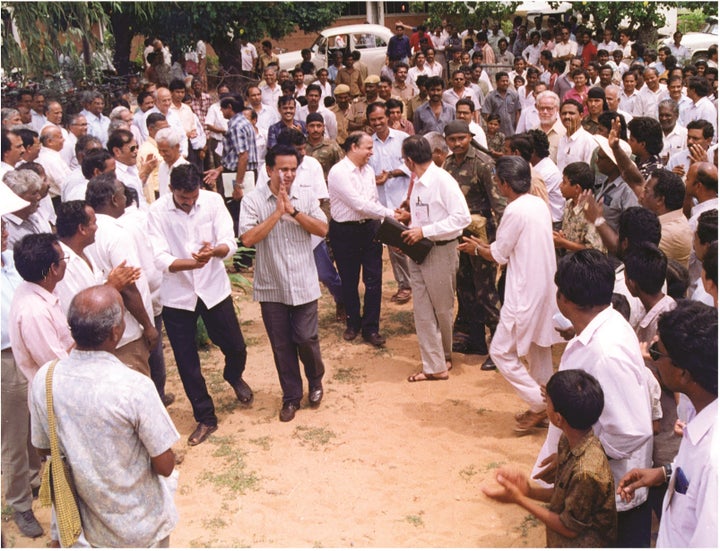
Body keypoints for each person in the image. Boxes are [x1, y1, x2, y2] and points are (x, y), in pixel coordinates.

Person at [29, 285, 179, 547]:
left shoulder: (46, 378)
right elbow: (165, 465)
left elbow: (42, 446)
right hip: (138, 527)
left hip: (79, 526)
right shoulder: (134, 387)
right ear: (116, 332)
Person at [534, 249, 653, 547]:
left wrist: (577, 459)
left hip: (609, 495)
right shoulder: (601, 327)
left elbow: (633, 429)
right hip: (594, 489)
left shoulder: (604, 352)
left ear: (563, 299)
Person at [148, 164, 253, 446]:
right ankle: (205, 417)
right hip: (177, 296)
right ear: (171, 190)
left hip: (213, 288)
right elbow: (159, 257)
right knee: (186, 362)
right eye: (184, 199)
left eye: (194, 197)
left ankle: (234, 375)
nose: (190, 203)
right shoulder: (157, 212)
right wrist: (192, 263)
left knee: (236, 346)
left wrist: (214, 252)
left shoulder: (213, 200)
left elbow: (228, 243)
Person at [617, 300, 717, 548]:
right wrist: (664, 474)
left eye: (658, 353)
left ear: (684, 373)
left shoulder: (714, 460)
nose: (651, 357)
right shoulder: (698, 409)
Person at [468, 157, 557, 433]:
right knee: (539, 351)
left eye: (498, 181)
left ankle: (542, 404)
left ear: (505, 184)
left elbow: (498, 254)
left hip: (524, 292)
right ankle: (542, 405)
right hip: (545, 289)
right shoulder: (538, 204)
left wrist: (476, 247)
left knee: (500, 352)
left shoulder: (516, 209)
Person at [239, 145, 328, 422]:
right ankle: (291, 396)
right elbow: (248, 239)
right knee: (281, 344)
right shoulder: (253, 200)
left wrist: (294, 212)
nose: (288, 175)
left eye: (293, 169)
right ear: (269, 170)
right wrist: (277, 214)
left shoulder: (306, 195)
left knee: (305, 337)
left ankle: (315, 380)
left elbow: (323, 229)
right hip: (271, 284)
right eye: (283, 169)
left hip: (303, 280)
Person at [483, 369, 617, 547]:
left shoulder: (586, 472)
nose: (545, 407)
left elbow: (569, 528)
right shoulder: (569, 442)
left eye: (548, 403)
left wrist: (519, 500)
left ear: (558, 418)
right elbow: (564, 495)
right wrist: (528, 492)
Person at [393, 134, 470, 382]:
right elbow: (424, 215)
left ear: (409, 159)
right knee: (423, 309)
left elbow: (462, 218)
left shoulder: (442, 181)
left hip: (440, 250)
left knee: (442, 308)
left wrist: (424, 231)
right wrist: (408, 224)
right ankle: (435, 364)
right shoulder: (418, 180)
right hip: (418, 250)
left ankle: (444, 355)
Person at [1, 186, 44, 538]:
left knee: (34, 427)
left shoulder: (10, 263)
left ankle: (33, 481)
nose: (4, 230)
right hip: (5, 360)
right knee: (14, 438)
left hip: (27, 351)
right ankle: (20, 504)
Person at [443, 121, 504, 367]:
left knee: (486, 290)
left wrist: (499, 242)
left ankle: (500, 350)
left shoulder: (483, 163)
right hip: (459, 232)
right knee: (465, 288)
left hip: (481, 233)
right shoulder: (447, 164)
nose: (457, 143)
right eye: (452, 139)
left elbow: (499, 204)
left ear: (470, 137)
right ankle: (476, 340)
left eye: (462, 138)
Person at [328, 132, 395, 347]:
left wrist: (381, 215)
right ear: (353, 147)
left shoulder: (368, 171)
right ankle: (353, 323)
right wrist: (390, 213)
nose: (371, 152)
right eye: (368, 148)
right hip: (345, 232)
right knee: (349, 279)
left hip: (369, 229)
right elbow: (358, 203)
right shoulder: (338, 172)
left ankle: (371, 328)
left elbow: (371, 200)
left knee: (374, 280)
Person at [367, 102, 412, 305]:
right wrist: (373, 180)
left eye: (380, 118)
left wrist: (392, 173)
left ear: (388, 117)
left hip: (404, 199)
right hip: (382, 202)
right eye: (373, 120)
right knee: (394, 245)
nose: (377, 123)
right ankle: (405, 285)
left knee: (412, 242)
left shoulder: (402, 139)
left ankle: (417, 283)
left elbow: (412, 165)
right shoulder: (368, 144)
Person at [554, 162, 605, 254]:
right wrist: (561, 239)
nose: (560, 186)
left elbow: (594, 250)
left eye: (564, 182)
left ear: (577, 188)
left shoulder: (591, 211)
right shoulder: (569, 204)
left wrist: (563, 242)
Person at [481, 72, 521, 138]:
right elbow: (486, 115)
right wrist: (493, 127)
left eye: (507, 81)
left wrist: (517, 128)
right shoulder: (490, 97)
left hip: (511, 132)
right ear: (497, 82)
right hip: (496, 134)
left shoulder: (514, 95)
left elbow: (517, 113)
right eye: (503, 81)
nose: (505, 83)